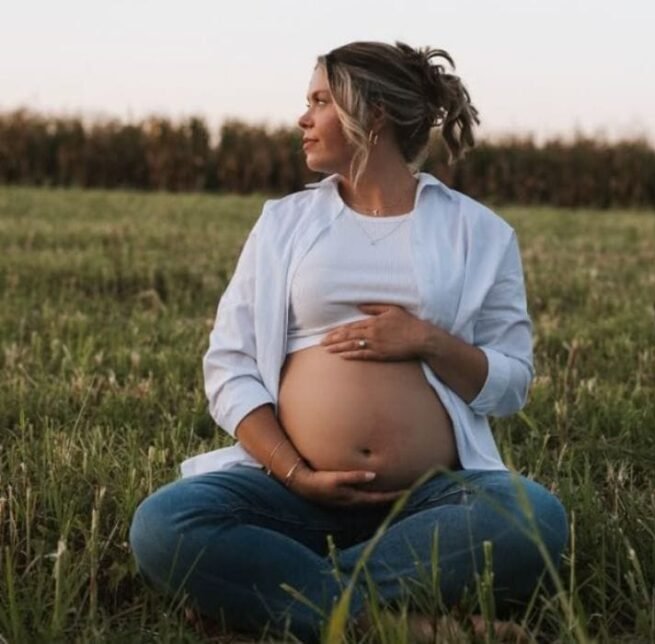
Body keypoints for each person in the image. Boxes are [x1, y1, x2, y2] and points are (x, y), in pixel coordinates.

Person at [129, 40, 568, 642]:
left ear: (374, 114)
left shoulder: (479, 232)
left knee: (534, 517)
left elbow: (512, 382)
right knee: (164, 523)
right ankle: (399, 625)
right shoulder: (284, 224)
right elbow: (229, 367)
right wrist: (293, 473)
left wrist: (427, 341)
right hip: (290, 496)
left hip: (429, 500)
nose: (302, 118)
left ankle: (276, 604)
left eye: (319, 101)